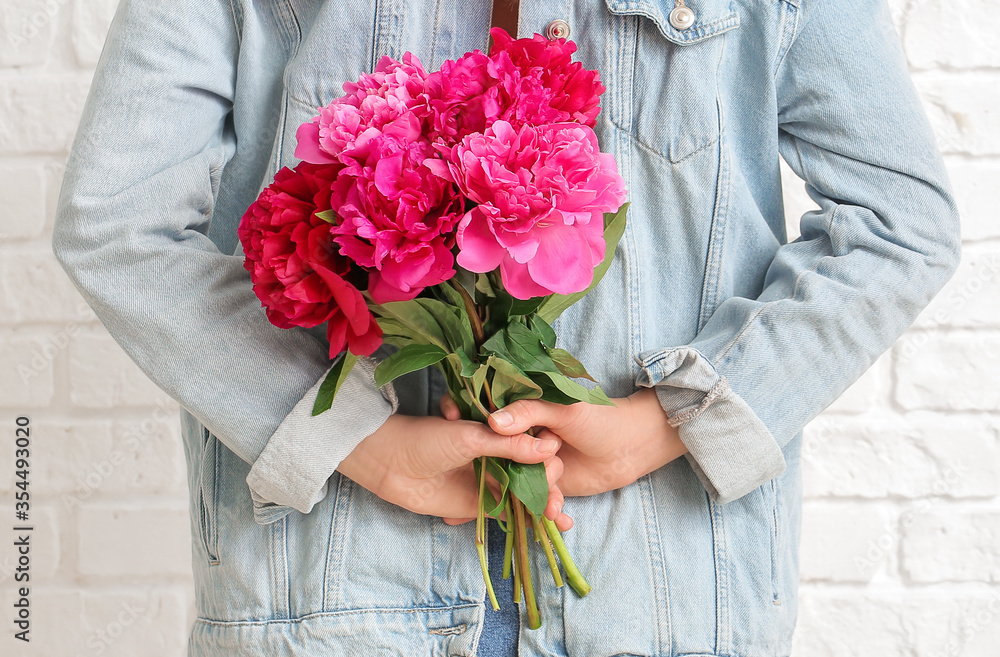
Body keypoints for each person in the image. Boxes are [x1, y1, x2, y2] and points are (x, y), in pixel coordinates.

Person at [52, 0, 960, 655]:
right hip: (336, 606)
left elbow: (899, 223)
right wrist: (354, 441)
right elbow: (116, 220)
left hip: (667, 604)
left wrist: (666, 422)